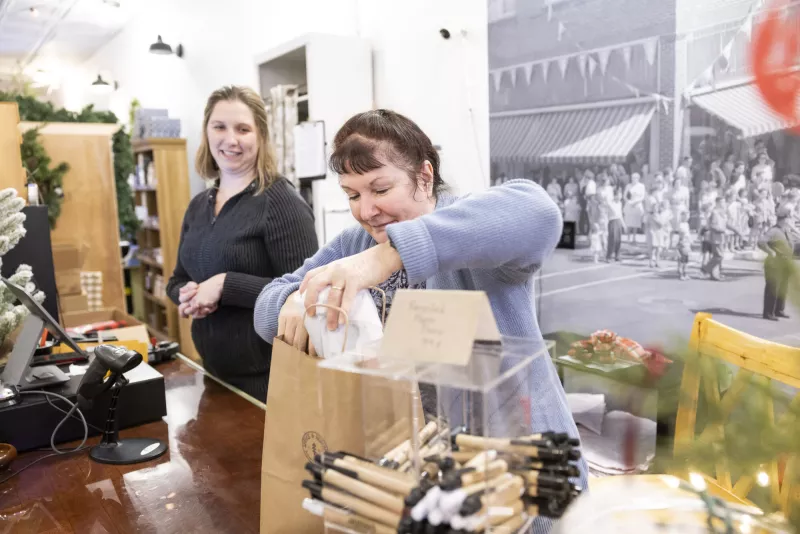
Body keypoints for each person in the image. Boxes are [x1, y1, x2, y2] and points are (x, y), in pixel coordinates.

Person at [253, 110, 588, 528]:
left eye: (380, 188)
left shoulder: (470, 226)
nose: (367, 210)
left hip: (522, 476)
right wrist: (292, 299)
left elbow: (539, 213)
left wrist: (390, 254)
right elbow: (267, 311)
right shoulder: (354, 242)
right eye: (353, 195)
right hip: (426, 480)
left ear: (424, 176)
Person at [166, 86, 319, 402]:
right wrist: (186, 294)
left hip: (270, 382)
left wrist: (225, 285)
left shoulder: (281, 202)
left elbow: (306, 293)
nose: (230, 139)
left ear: (260, 136)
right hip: (213, 372)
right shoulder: (199, 205)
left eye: (243, 129)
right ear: (207, 132)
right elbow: (178, 277)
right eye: (219, 127)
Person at [759, 206, 795, 321]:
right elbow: (761, 242)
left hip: (786, 263)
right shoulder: (773, 231)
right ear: (783, 219)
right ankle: (768, 312)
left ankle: (779, 310)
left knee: (783, 288)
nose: (790, 220)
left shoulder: (786, 230)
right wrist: (770, 251)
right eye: (789, 218)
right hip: (775, 263)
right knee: (772, 288)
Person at [606, 188, 626, 262]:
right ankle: (609, 256)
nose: (619, 197)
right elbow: (615, 212)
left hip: (618, 221)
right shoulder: (611, 203)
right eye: (618, 195)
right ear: (614, 196)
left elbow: (620, 214)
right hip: (612, 221)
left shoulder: (620, 203)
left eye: (620, 195)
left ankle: (617, 255)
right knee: (612, 239)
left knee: (618, 240)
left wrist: (623, 224)